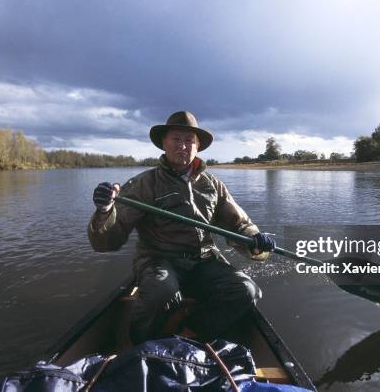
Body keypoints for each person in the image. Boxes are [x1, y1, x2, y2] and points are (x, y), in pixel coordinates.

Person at [88, 110, 276, 345]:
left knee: (246, 290)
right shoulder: (143, 184)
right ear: (164, 143)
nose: (183, 146)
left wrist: (256, 240)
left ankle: (191, 333)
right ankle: (141, 346)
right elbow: (107, 242)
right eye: (176, 139)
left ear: (198, 147)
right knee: (160, 292)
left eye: (189, 140)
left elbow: (239, 225)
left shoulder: (213, 185)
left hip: (203, 262)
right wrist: (105, 211)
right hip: (159, 260)